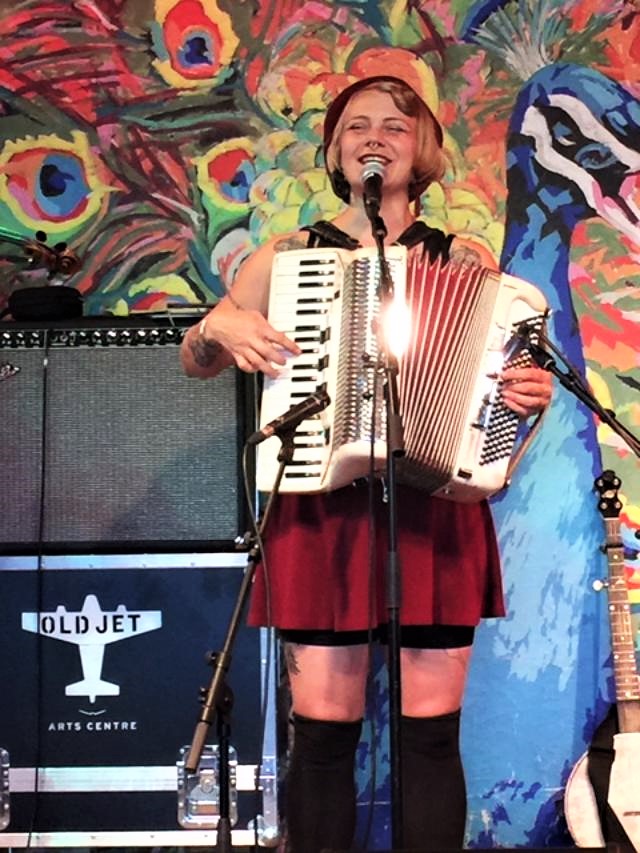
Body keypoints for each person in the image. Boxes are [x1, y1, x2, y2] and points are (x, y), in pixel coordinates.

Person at [180, 75, 553, 852]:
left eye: (394, 124)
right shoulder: (284, 258)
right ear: (333, 150)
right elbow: (197, 360)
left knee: (430, 733)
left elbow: (500, 383)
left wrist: (524, 393)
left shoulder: (466, 258)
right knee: (322, 730)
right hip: (321, 504)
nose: (374, 137)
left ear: (422, 151)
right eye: (356, 127)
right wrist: (219, 323)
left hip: (433, 504)